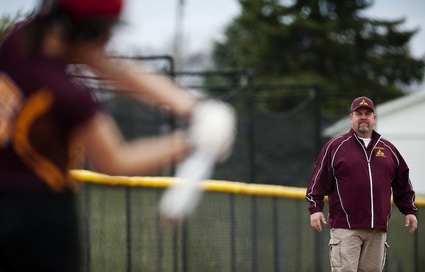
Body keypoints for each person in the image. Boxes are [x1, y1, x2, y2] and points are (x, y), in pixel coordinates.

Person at [0, 0, 234, 271]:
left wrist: (193, 108)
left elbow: (110, 66)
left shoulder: (16, 42)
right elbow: (116, 161)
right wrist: (192, 142)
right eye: (105, 30)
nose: (109, 39)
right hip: (36, 217)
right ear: (84, 33)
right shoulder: (67, 96)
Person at [305, 96, 418, 272]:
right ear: (351, 118)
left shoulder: (389, 150)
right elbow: (318, 181)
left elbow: (402, 183)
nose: (363, 117)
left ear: (374, 118)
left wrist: (409, 210)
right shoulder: (335, 147)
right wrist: (315, 209)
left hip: (377, 230)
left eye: (368, 113)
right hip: (346, 228)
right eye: (358, 113)